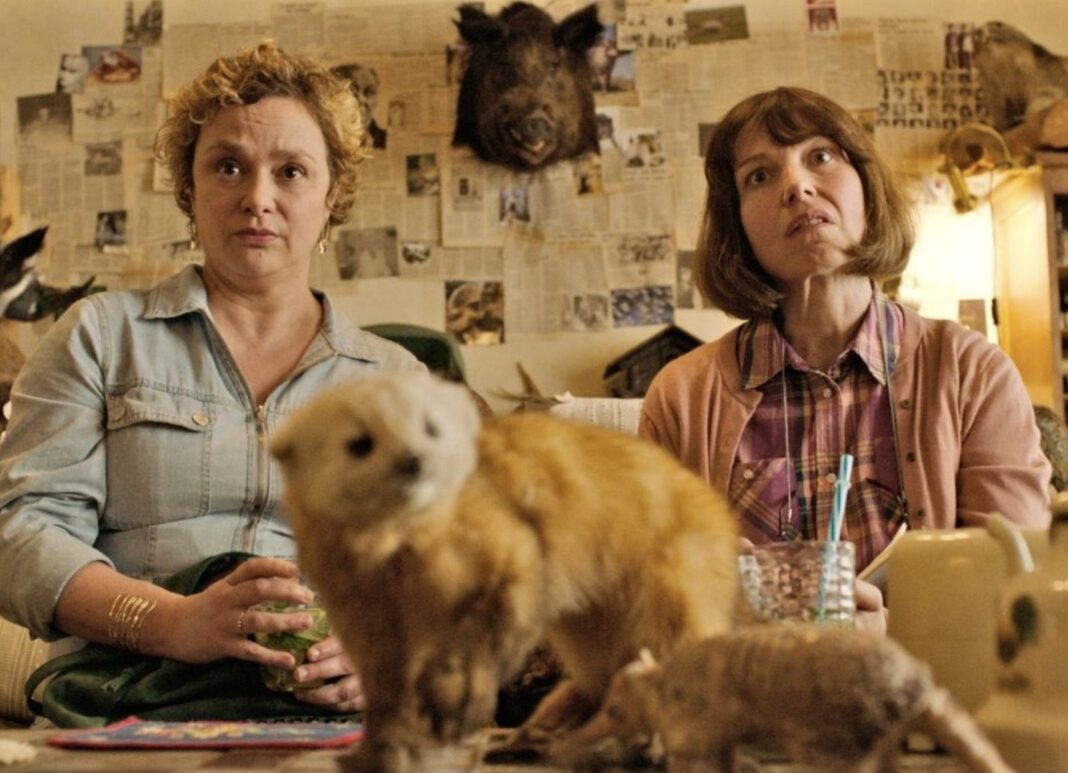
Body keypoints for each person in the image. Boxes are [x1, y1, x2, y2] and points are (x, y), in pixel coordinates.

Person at [0, 42, 425, 718]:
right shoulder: (99, 337)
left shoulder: (398, 382)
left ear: (332, 195)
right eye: (228, 166)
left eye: (291, 172)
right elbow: (21, 533)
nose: (257, 199)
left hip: (328, 720)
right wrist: (166, 621)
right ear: (190, 189)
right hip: (123, 704)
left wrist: (383, 653)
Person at [639, 87, 1051, 635]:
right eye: (759, 176)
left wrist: (889, 632)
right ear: (737, 226)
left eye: (820, 156)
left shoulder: (972, 373)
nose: (797, 186)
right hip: (751, 684)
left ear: (866, 187)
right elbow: (646, 609)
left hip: (927, 684)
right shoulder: (679, 398)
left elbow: (1021, 596)